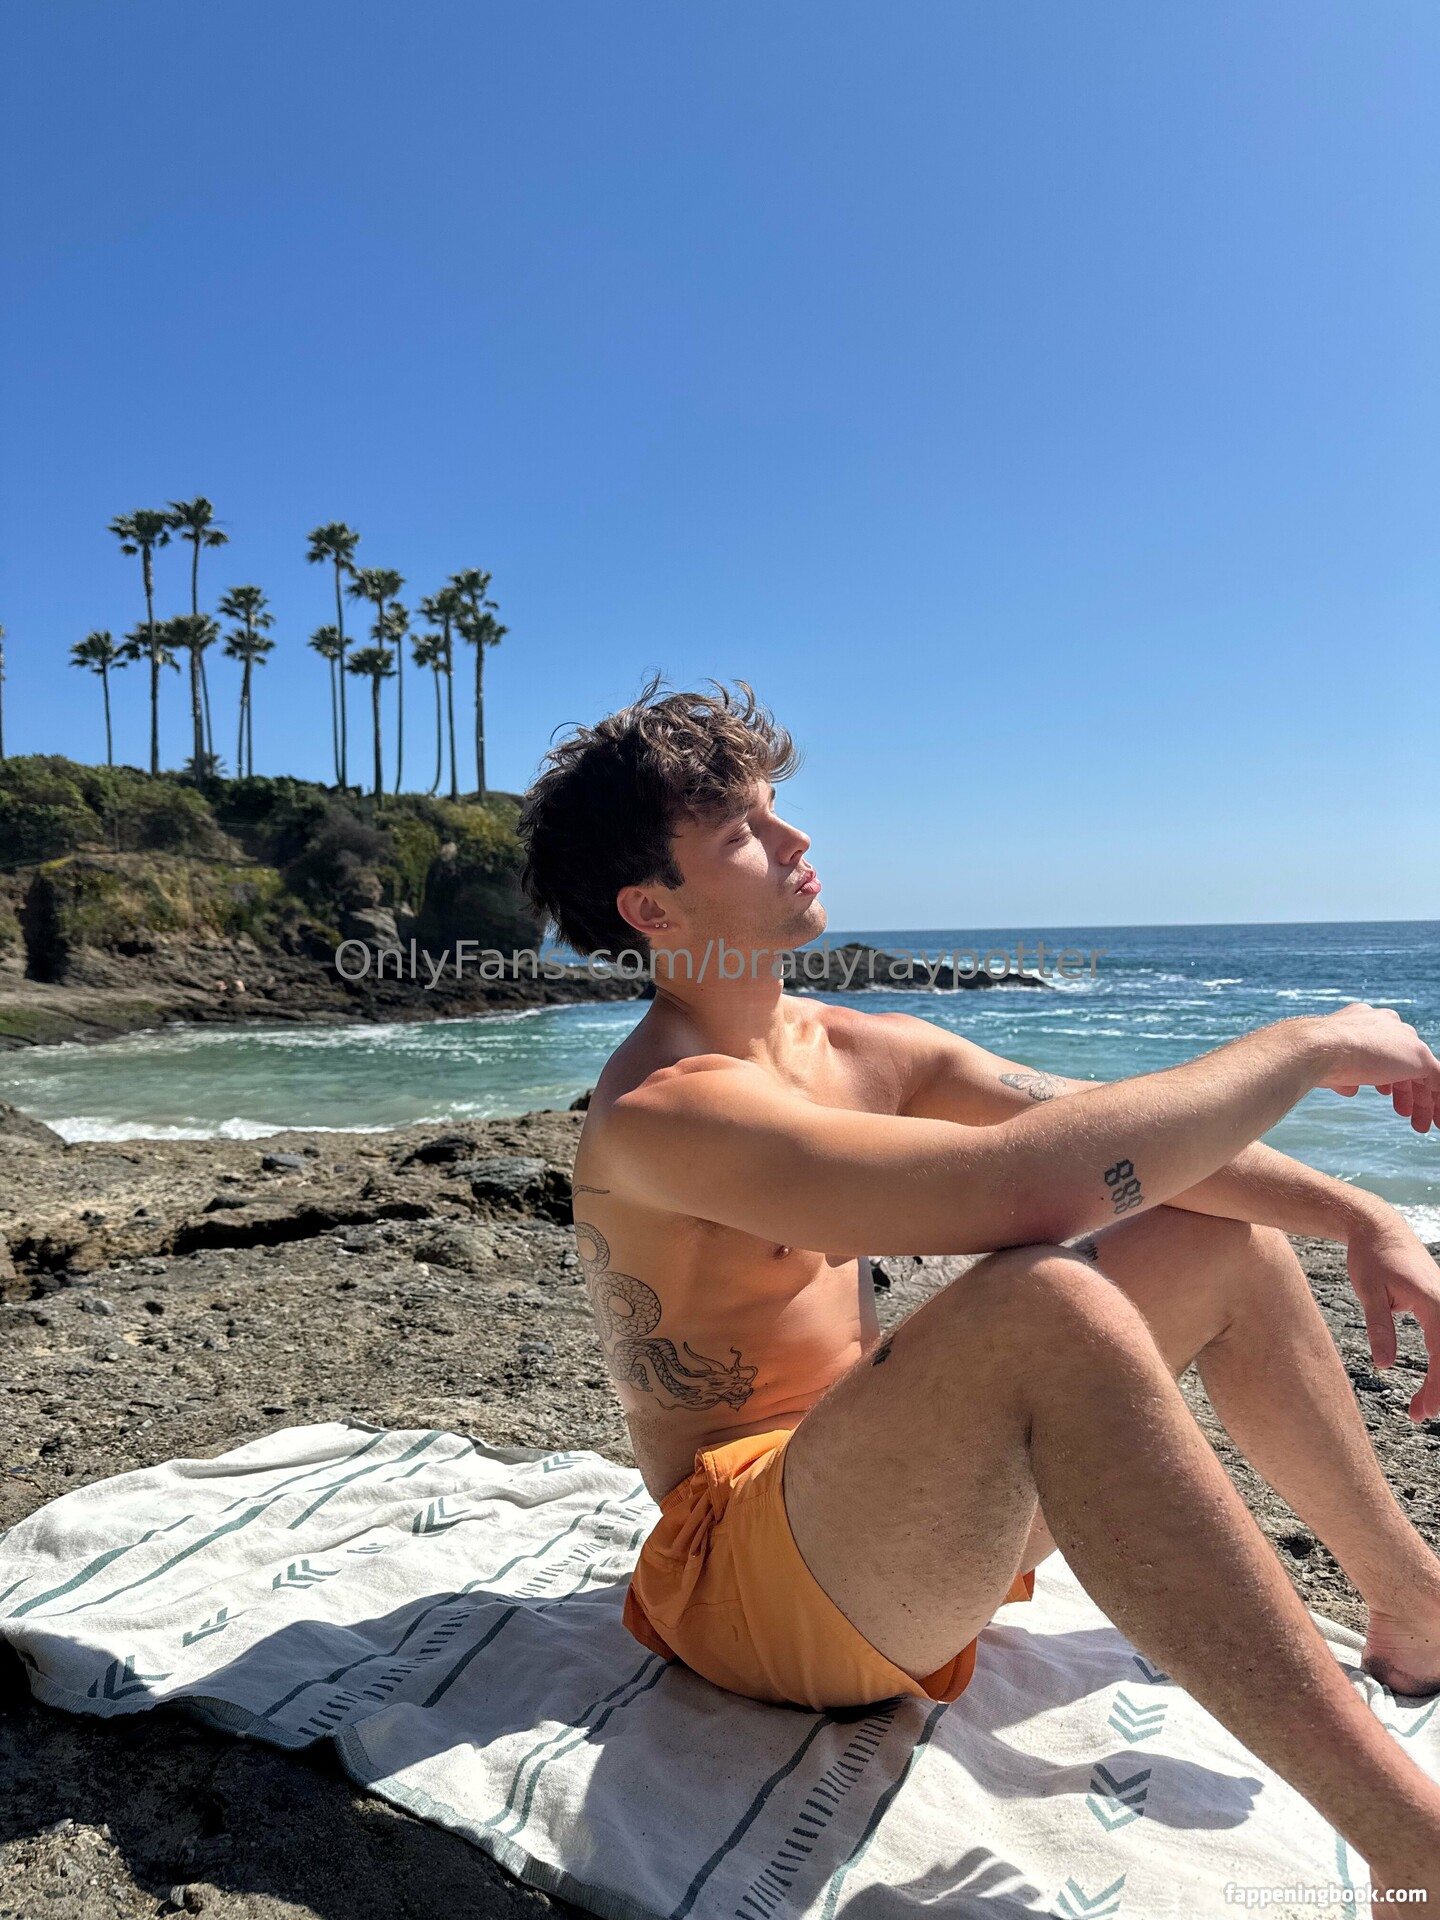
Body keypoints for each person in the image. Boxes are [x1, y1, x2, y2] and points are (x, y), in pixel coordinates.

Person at [517, 676, 1440, 1896]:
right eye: (742, 830)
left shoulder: (858, 1048)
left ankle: (1415, 1606)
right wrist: (1309, 1044)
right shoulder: (665, 1110)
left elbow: (1093, 1125)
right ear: (652, 907)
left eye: (778, 806)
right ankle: (1415, 1849)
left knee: (1223, 1240)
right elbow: (1031, 1187)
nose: (796, 838)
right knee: (1044, 1302)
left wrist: (1362, 1216)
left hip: (898, 1523)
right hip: (745, 1581)